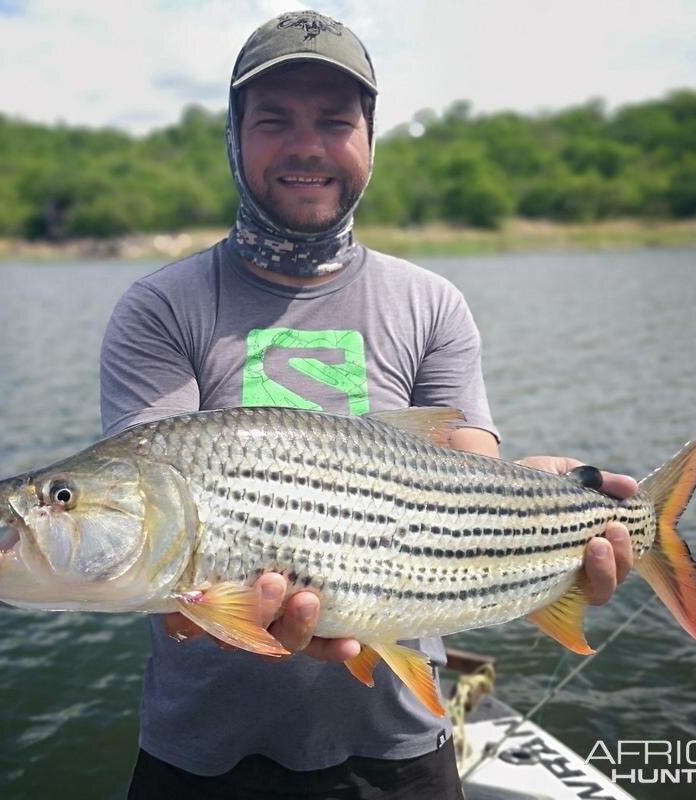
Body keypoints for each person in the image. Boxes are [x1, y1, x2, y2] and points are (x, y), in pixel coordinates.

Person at [99, 10, 637, 799]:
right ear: (233, 136)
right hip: (203, 751)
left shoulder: (432, 303)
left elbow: (466, 478)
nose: (307, 146)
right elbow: (152, 549)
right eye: (274, 119)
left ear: (370, 140)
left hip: (397, 746)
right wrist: (213, 610)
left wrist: (546, 508)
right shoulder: (160, 307)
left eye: (335, 121)